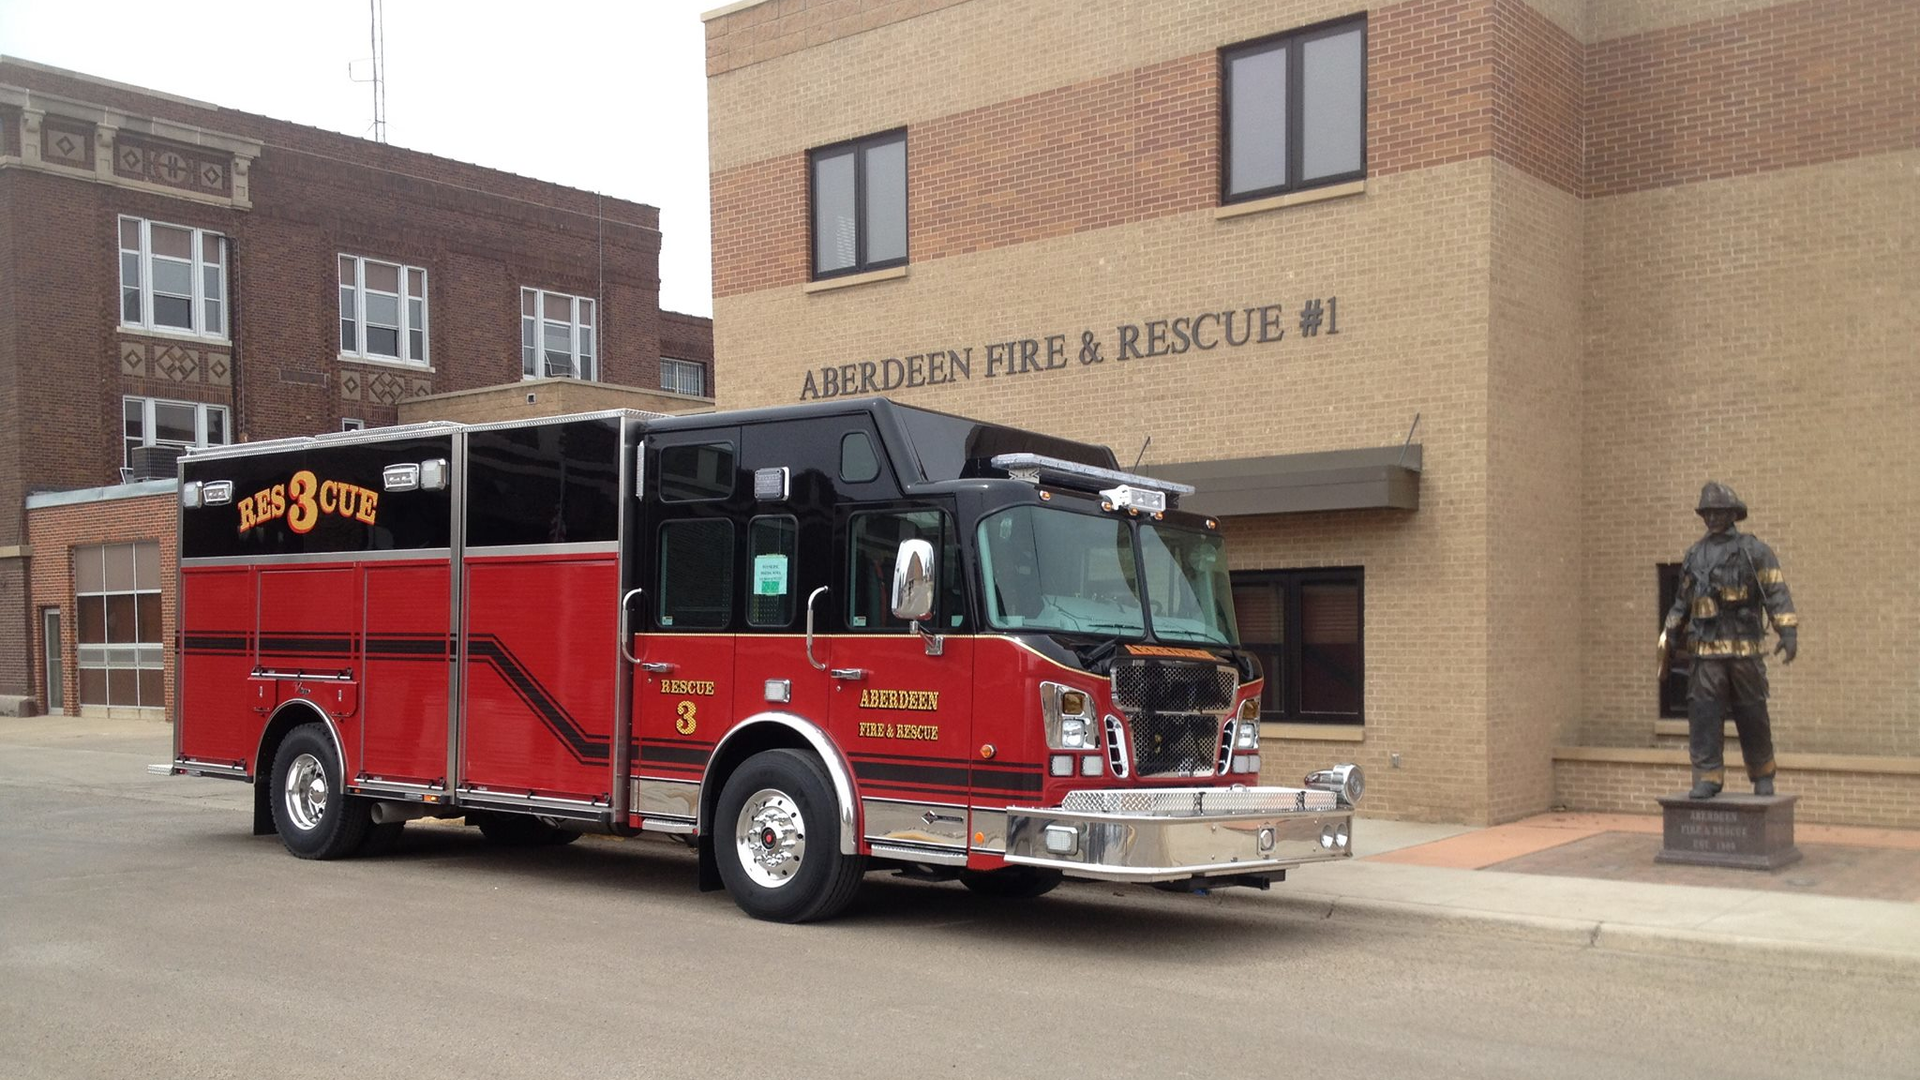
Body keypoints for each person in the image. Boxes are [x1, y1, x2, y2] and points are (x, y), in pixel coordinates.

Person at [1661, 482, 1798, 798]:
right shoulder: (1694, 555)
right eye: (1707, 512)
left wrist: (1787, 630)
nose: (1712, 517)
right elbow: (1682, 601)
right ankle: (1708, 777)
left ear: (1733, 513)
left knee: (1753, 714)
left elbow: (1776, 592)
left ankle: (1762, 775)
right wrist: (1669, 634)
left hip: (1744, 651)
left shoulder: (1755, 552)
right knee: (1704, 715)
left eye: (1719, 511)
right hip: (1705, 653)